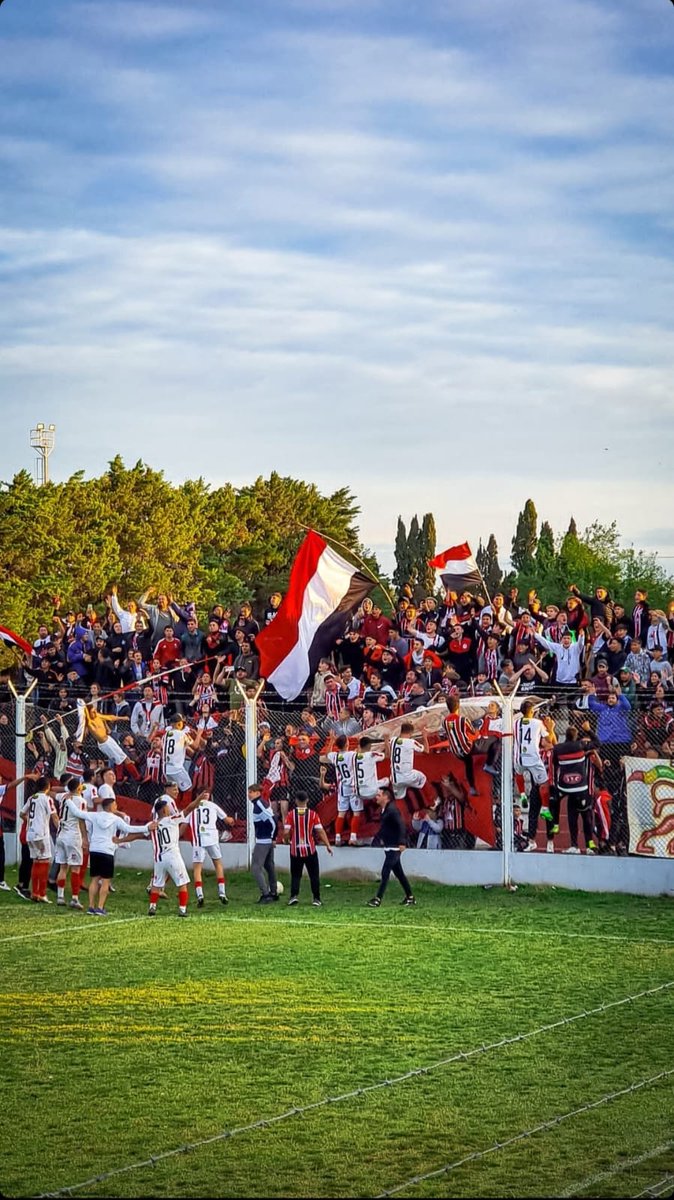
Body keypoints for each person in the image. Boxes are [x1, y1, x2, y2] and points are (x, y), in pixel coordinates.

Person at [84, 796, 155, 916]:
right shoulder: (115, 819)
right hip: (107, 851)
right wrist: (146, 827)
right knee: (106, 881)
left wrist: (68, 799)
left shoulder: (95, 815)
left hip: (95, 850)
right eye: (115, 805)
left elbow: (78, 813)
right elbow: (129, 828)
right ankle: (100, 907)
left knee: (94, 879)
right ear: (111, 806)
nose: (116, 807)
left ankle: (91, 906)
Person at [513, 700, 554, 851]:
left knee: (519, 774)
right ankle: (533, 840)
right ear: (532, 711)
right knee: (538, 808)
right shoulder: (538, 723)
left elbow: (551, 743)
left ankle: (522, 793)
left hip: (519, 758)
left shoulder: (515, 723)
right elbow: (549, 739)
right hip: (534, 762)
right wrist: (550, 728)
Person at [367, 786, 415, 907]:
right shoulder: (384, 810)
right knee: (399, 873)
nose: (376, 797)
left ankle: (378, 899)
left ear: (386, 797)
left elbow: (401, 825)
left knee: (385, 871)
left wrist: (402, 842)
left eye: (379, 795)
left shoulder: (392, 810)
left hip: (395, 846)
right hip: (389, 846)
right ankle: (410, 897)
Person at [283, 790, 333, 907]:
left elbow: (286, 832)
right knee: (314, 875)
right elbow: (320, 831)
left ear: (295, 801)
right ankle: (316, 898)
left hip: (295, 850)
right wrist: (328, 845)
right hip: (310, 849)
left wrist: (286, 840)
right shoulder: (313, 814)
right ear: (307, 800)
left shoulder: (291, 815)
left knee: (296, 875)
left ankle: (293, 896)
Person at [188, 788, 234, 906]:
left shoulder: (192, 808)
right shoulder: (212, 805)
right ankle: (222, 893)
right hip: (212, 838)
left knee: (197, 868)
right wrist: (231, 820)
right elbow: (227, 820)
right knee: (218, 864)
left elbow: (185, 823)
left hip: (199, 839)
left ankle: (200, 895)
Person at [20, 776, 58, 903]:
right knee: (45, 862)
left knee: (36, 861)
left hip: (30, 833)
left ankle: (34, 892)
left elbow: (21, 813)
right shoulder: (47, 799)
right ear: (48, 787)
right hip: (41, 834)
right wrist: (60, 830)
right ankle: (41, 893)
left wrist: (31, 821)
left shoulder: (32, 798)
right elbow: (54, 817)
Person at [54, 777, 89, 909]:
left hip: (61, 835)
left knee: (63, 867)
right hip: (73, 836)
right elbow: (81, 820)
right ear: (78, 788)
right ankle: (74, 898)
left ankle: (60, 896)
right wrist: (85, 838)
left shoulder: (64, 797)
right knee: (75, 868)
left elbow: (53, 793)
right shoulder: (81, 801)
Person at [321, 734, 362, 846]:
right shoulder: (352, 754)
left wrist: (331, 741)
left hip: (342, 788)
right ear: (347, 744)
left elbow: (327, 754)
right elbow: (360, 754)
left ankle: (338, 837)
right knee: (356, 812)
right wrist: (359, 743)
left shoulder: (335, 756)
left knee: (341, 813)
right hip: (353, 786)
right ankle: (353, 837)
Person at [249, 782, 280, 903]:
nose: (249, 795)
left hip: (263, 841)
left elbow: (273, 820)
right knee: (269, 866)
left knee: (256, 867)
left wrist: (273, 837)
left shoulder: (259, 804)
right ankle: (273, 892)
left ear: (257, 793)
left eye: (251, 792)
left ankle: (265, 894)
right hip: (267, 840)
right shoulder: (260, 803)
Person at [386, 721, 429, 801]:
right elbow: (426, 751)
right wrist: (424, 736)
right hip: (408, 776)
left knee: (399, 799)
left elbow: (388, 754)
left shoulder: (393, 740)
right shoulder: (411, 742)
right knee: (423, 778)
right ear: (411, 733)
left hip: (395, 779)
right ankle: (431, 801)